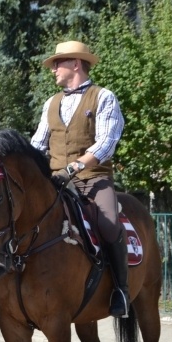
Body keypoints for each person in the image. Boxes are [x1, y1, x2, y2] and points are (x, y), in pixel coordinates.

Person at [30, 40, 129, 318]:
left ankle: (121, 289)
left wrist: (72, 169)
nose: (53, 70)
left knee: (108, 225)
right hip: (56, 181)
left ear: (75, 64)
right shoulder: (51, 102)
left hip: (92, 179)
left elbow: (106, 143)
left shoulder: (103, 97)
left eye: (57, 64)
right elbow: (38, 144)